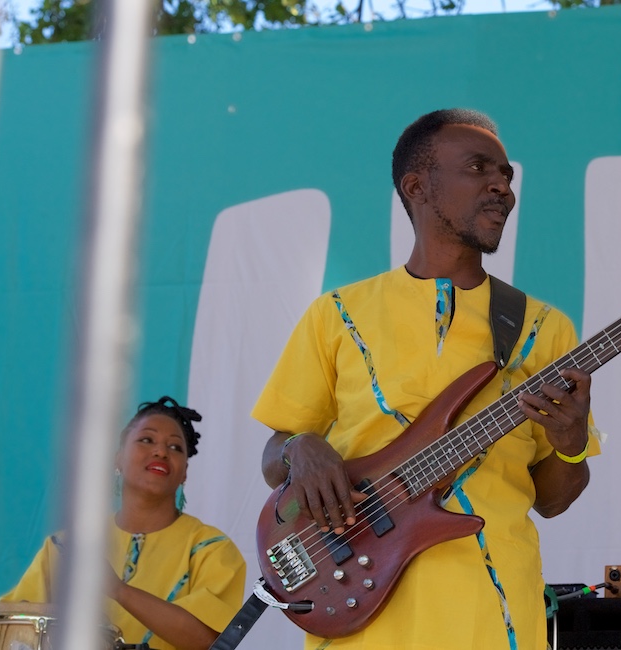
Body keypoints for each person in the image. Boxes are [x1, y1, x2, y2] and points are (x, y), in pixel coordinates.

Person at [254, 108, 601, 650]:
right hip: (358, 609)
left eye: (507, 175)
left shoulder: (543, 327)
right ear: (417, 186)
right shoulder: (337, 313)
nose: (502, 187)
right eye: (479, 168)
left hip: (492, 608)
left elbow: (554, 499)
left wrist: (572, 444)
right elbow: (274, 458)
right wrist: (301, 446)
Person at [1, 396, 248, 650]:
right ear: (118, 459)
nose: (161, 451)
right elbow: (7, 627)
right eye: (146, 440)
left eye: (175, 447)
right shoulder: (67, 547)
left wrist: (118, 590)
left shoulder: (212, 549)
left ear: (185, 472)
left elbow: (210, 641)